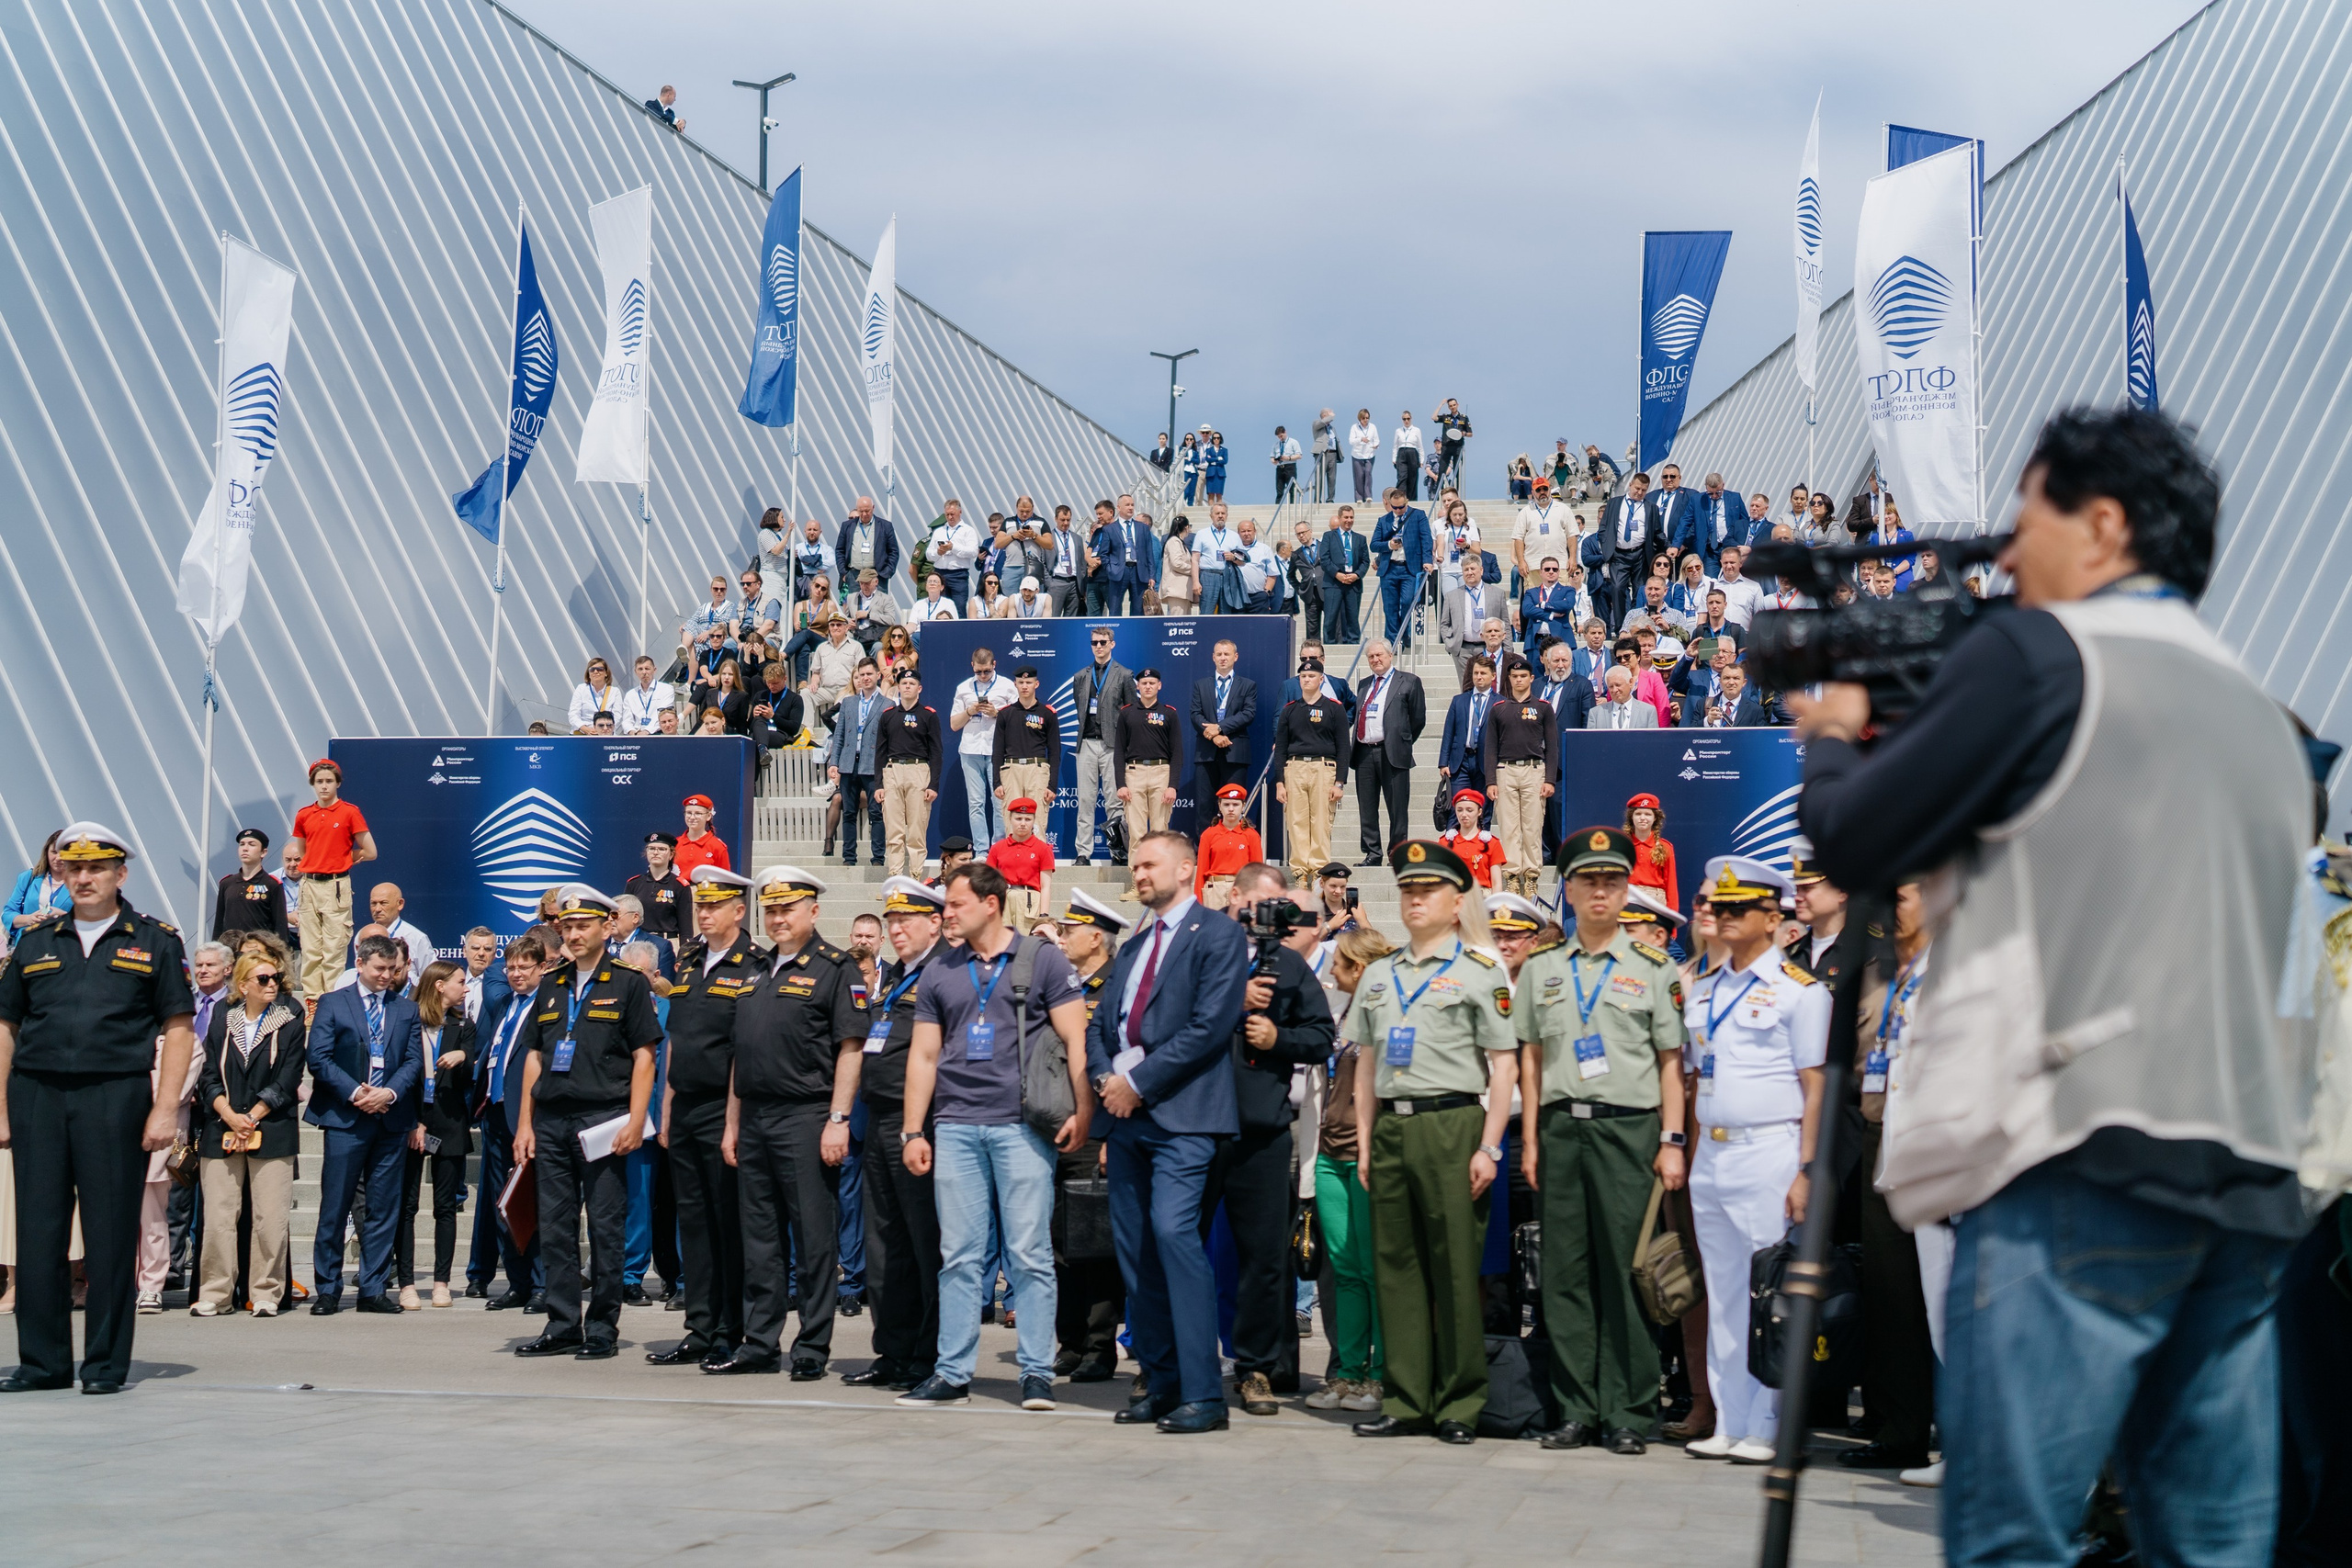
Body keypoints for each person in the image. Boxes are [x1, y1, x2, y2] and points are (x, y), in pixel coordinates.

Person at [1792, 408, 2313, 1565]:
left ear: (2104, 525)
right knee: (2213, 1550)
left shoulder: (2046, 655)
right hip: (2250, 1178)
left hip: (2081, 1154)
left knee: (2011, 1540)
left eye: (2024, 520)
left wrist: (1831, 731)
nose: (2005, 556)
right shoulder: (2263, 715)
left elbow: (1858, 842)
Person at [0, 825, 194, 1393]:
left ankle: (105, 1365)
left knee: (110, 1234)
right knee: (38, 1232)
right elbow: (6, 1027)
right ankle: (43, 1363)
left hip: (115, 1097)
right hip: (37, 1097)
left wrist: (163, 1110)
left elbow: (178, 1030)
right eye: (73, 869)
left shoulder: (155, 941)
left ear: (120, 874)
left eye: (97, 868)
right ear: (60, 874)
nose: (83, 878)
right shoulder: (35, 943)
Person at [1515, 828, 1689, 1454]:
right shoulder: (1543, 968)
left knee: (1626, 1271)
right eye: (1588, 879)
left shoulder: (1653, 967)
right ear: (1568, 888)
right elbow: (1532, 1059)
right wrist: (1532, 1137)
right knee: (1564, 1273)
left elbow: (1671, 1061)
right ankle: (1575, 1408)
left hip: (1629, 1128)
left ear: (1627, 889)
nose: (1600, 891)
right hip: (1562, 1127)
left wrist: (1672, 1139)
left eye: (1612, 880)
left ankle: (1630, 1409)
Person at [897, 864, 1095, 1410]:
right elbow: (924, 1055)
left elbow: (1076, 1037)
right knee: (958, 1255)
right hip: (956, 1127)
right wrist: (914, 1129)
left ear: (991, 903)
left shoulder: (1043, 959)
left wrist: (1082, 1109)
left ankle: (1035, 1372)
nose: (947, 913)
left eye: (957, 904)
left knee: (1028, 1253)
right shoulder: (941, 970)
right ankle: (952, 1371)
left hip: (1021, 1126)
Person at [1344, 840, 1517, 1442]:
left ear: (1455, 901)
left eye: (1429, 890)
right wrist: (1366, 1141)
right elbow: (1365, 1065)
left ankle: (1460, 1402)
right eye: (1409, 890)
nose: (1415, 900)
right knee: (1396, 1264)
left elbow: (1504, 1064)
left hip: (1453, 1123)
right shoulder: (1379, 973)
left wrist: (1490, 1146)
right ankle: (1406, 1396)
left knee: (1454, 1265)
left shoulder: (1480, 971)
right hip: (1392, 1124)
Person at [1086, 829, 1252, 1431]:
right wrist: (1107, 1078)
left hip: (1184, 1117)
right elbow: (1102, 1023)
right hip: (1127, 1118)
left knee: (1174, 1235)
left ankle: (1204, 1394)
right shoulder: (1133, 945)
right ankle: (1159, 1381)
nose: (1139, 872)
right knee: (1136, 1253)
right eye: (1135, 863)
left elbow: (1210, 1026)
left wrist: (1141, 1081)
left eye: (1150, 863)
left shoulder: (1218, 934)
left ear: (1187, 870)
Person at [1679, 858, 1828, 1464]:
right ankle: (1730, 1415)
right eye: (1721, 906)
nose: (1724, 916)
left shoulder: (1801, 991)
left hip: (1769, 1148)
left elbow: (1814, 1084)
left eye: (1739, 909)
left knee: (1770, 1291)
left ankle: (1768, 1420)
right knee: (1723, 1290)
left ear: (1774, 918)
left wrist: (1806, 1168)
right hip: (1711, 1150)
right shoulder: (1707, 989)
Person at [706, 867, 864, 1379]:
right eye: (769, 910)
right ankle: (759, 1342)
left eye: (786, 909)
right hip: (753, 1119)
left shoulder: (836, 969)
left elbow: (850, 1050)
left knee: (814, 1239)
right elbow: (739, 1056)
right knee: (760, 1239)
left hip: (807, 1116)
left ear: (812, 912)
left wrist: (839, 1119)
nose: (776, 918)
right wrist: (732, 1124)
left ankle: (812, 1347)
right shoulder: (754, 969)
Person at [512, 886, 662, 1360]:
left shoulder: (629, 982)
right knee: (555, 1226)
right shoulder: (551, 983)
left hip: (603, 1120)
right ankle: (561, 1324)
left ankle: (601, 1326)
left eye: (584, 926)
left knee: (605, 1226)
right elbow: (534, 1057)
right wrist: (525, 1124)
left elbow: (644, 1057)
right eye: (568, 926)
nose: (575, 934)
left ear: (608, 926)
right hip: (552, 1119)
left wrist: (637, 1120)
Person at [1208, 866, 1337, 1416]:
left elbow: (1322, 1035)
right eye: (1263, 902)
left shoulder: (1286, 964)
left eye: (1278, 905)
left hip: (1260, 1132)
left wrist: (1278, 1038)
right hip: (1195, 1127)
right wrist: (1231, 1004)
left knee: (1263, 1258)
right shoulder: (1199, 951)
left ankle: (1255, 1367)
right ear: (1235, 897)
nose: (1269, 915)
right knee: (1179, 1246)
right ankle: (1172, 1362)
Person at [846, 876, 951, 1390]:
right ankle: (892, 1349)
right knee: (883, 1242)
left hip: (922, 1126)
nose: (895, 929)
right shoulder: (895, 980)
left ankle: (929, 1356)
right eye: (890, 920)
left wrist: (920, 1129)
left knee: (924, 1243)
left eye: (905, 919)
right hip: (881, 1121)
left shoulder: (946, 974)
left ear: (935, 922)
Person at [304, 931, 423, 1315]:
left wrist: (388, 1094)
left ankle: (373, 1288)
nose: (386, 975)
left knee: (383, 1207)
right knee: (335, 1205)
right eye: (380, 968)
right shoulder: (333, 1004)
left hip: (390, 1118)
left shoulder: (406, 1009)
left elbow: (413, 1062)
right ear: (360, 964)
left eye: (392, 968)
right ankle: (328, 1288)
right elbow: (319, 1059)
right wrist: (357, 1093)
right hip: (345, 1118)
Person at [1308, 925, 1393, 1413]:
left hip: (1368, 1155)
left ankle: (1380, 1375)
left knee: (1373, 1268)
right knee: (1344, 1271)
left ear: (1358, 969)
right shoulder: (1336, 1015)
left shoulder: (1385, 1014)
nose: (1330, 971)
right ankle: (1349, 1372)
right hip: (1327, 1155)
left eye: (1337, 964)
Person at [192, 950, 303, 1316]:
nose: (272, 984)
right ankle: (216, 1294)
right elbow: (207, 1074)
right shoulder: (223, 1018)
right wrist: (227, 1113)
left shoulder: (289, 1020)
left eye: (275, 978)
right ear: (243, 985)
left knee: (269, 1219)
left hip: (271, 1127)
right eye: (263, 979)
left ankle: (266, 1293)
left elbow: (288, 1078)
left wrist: (252, 1116)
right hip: (221, 1127)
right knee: (220, 1218)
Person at [471, 936, 548, 1311]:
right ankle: (516, 1282)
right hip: (496, 1112)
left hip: (528, 1117)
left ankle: (540, 1284)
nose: (516, 974)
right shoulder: (507, 1005)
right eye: (512, 968)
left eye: (524, 968)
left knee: (530, 1201)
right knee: (503, 1202)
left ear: (542, 968)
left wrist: (529, 1120)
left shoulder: (548, 1006)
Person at [398, 959, 477, 1310]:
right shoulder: (407, 1021)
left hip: (449, 1120)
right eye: (461, 981)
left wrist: (465, 1056)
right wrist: (413, 1121)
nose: (466, 987)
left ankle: (442, 1282)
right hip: (411, 1120)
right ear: (440, 985)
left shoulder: (463, 1025)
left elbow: (475, 1068)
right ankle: (406, 1283)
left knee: (446, 1206)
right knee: (407, 1206)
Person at [288, 759, 375, 1004]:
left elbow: (370, 851)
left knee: (334, 949)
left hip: (336, 884)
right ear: (313, 784)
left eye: (328, 781)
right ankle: (313, 1002)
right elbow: (304, 852)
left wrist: (344, 857)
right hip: (309, 884)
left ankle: (332, 1003)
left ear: (337, 783)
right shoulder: (305, 814)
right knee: (310, 948)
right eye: (319, 782)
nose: (324, 786)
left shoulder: (349, 812)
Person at [1272, 659, 1351, 887]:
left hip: (1324, 768)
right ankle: (1299, 872)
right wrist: (1279, 782)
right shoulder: (1290, 710)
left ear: (1321, 679)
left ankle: (1318, 871)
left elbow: (1343, 747)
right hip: (1295, 768)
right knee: (1296, 821)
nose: (1307, 679)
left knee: (1321, 821)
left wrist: (1340, 782)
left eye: (1312, 676)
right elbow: (1281, 748)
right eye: (1303, 677)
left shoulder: (1334, 708)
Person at [1482, 660, 1556, 898]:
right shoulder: (1499, 708)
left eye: (1523, 676)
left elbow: (1552, 747)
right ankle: (1512, 876)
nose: (1519, 680)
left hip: (1534, 770)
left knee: (1533, 827)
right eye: (1514, 677)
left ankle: (1532, 876)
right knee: (1509, 827)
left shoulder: (1543, 708)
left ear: (1532, 678)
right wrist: (1490, 780)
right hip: (1505, 771)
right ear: (1509, 679)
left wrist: (1550, 779)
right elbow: (1490, 747)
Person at [1350, 639, 1425, 863]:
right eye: (1371, 657)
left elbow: (1418, 719)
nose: (1376, 660)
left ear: (1390, 655)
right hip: (1364, 751)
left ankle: (1397, 851)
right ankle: (1373, 852)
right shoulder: (1364, 684)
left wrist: (1401, 740)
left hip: (1392, 752)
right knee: (1367, 806)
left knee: (1397, 806)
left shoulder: (1408, 681)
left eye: (1379, 655)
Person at [1072, 629, 1136, 867]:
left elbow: (1131, 711)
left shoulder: (1125, 674)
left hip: (1113, 745)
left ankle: (1118, 852)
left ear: (1112, 644)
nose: (1098, 646)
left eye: (1102, 642)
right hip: (1087, 743)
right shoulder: (1081, 676)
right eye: (1094, 643)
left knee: (1114, 802)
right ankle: (1083, 853)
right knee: (1086, 800)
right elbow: (1077, 703)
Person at [947, 649, 1018, 853]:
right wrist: (970, 710)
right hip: (970, 750)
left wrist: (997, 714)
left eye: (987, 671)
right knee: (976, 804)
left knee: (999, 803)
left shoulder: (1006, 686)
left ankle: (999, 848)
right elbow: (953, 724)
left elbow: (1016, 722)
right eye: (979, 672)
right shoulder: (963, 688)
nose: (983, 676)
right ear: (972, 667)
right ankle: (981, 851)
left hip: (997, 751)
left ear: (994, 664)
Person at [877, 668, 943, 880]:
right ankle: (895, 877)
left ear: (919, 688)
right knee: (894, 831)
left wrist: (933, 785)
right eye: (904, 684)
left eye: (912, 683)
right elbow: (880, 751)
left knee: (916, 830)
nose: (907, 686)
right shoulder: (887, 716)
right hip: (892, 771)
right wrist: (879, 784)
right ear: (898, 687)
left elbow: (936, 752)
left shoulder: (928, 715)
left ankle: (915, 878)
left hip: (918, 771)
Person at [1114, 667, 1183, 846]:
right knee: (1137, 833)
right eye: (1144, 683)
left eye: (1152, 683)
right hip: (1134, 773)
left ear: (1159, 686)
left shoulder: (1169, 713)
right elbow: (1119, 751)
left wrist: (1172, 786)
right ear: (1138, 687)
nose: (1148, 687)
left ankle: (1159, 874)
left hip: (1161, 773)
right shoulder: (1127, 713)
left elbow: (1177, 753)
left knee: (1160, 832)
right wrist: (1121, 784)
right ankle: (1138, 874)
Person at [1590, 472, 1663, 635]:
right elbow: (1604, 527)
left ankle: (1638, 626)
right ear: (1630, 485)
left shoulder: (1650, 507)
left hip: (1640, 554)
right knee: (1617, 588)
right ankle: (1621, 628)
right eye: (1637, 488)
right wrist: (1605, 544)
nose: (1639, 492)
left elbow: (1657, 532)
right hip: (1619, 554)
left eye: (1644, 490)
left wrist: (1669, 546)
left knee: (1640, 590)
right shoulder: (1615, 503)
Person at [989, 664, 1060, 829]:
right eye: (1021, 682)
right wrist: (996, 782)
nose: (1024, 686)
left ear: (1036, 684)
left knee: (1037, 823)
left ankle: (1038, 855)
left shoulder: (1047, 713)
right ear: (1015, 684)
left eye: (1028, 682)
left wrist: (1052, 785)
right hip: (1011, 771)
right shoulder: (1005, 714)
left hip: (1037, 770)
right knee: (1011, 823)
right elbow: (997, 750)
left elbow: (1055, 752)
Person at [1190, 637, 1256, 804]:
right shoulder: (1201, 685)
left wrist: (1219, 728)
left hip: (1234, 752)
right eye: (1219, 654)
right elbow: (1195, 714)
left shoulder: (1248, 685)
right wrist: (1214, 736)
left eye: (1227, 654)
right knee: (1204, 806)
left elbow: (1248, 714)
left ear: (1236, 657)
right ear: (1213, 657)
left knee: (1233, 805)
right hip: (1206, 753)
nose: (1223, 657)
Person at [1437, 655, 1498, 828]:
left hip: (1485, 763)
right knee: (1458, 807)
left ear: (1493, 676)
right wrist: (1443, 762)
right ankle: (1452, 849)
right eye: (1476, 673)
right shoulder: (1460, 700)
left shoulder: (1500, 702)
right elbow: (1449, 732)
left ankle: (1481, 850)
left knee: (1483, 810)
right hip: (1461, 761)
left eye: (1483, 673)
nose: (1479, 677)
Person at [1441, 553, 1513, 690]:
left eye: (1473, 569)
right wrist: (1450, 643)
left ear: (1481, 570)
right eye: (1466, 570)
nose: (1470, 572)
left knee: (1491, 687)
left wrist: (1508, 649)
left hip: (1489, 648)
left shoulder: (1497, 594)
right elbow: (1444, 624)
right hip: (1463, 650)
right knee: (1466, 688)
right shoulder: (1452, 596)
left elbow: (1505, 623)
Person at [1369, 490, 1431, 647]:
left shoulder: (1418, 515)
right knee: (1390, 607)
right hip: (1389, 569)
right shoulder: (1384, 520)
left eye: (1401, 507)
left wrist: (1427, 560)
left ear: (1407, 501)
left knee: (1407, 602)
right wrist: (1389, 545)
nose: (1397, 510)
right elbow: (1374, 544)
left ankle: (1404, 633)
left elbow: (1426, 539)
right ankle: (1393, 642)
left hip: (1409, 568)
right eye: (1394, 507)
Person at [986, 800, 1056, 930]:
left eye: (1028, 819)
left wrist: (1044, 916)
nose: (1023, 823)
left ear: (1034, 821)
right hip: (1003, 897)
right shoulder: (997, 848)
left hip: (1030, 900)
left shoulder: (1042, 849)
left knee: (1027, 946)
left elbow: (1046, 886)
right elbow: (988, 882)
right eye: (1018, 818)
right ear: (1010, 819)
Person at [210, 828, 287, 944]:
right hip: (231, 951)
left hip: (258, 950)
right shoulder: (227, 883)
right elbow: (219, 923)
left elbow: (280, 926)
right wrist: (215, 947)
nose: (245, 849)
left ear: (263, 852)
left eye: (252, 844)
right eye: (242, 844)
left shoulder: (272, 884)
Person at [1099, 493, 1156, 615]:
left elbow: (1149, 553)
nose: (1130, 508)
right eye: (1127, 505)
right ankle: (1116, 632)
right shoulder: (1109, 529)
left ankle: (1135, 632)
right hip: (1119, 570)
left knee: (1138, 608)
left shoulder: (1142, 528)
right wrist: (1110, 569)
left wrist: (1151, 575)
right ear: (1118, 508)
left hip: (1139, 571)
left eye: (1132, 505)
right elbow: (1104, 553)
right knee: (1115, 607)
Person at [1439, 788, 1505, 889]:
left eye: (1469, 810)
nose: (1464, 815)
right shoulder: (1445, 842)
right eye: (1459, 810)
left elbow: (1497, 883)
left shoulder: (1492, 843)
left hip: (1483, 897)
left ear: (1479, 812)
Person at [1318, 504, 1366, 644]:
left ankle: (1353, 643)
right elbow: (1325, 559)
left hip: (1353, 583)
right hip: (1334, 583)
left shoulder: (1360, 539)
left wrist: (1357, 575)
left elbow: (1365, 561)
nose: (1349, 520)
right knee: (1330, 618)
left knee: (1352, 617)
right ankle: (1329, 644)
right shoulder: (1329, 536)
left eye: (1351, 517)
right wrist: (1337, 574)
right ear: (1339, 518)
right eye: (1346, 517)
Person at [1623, 794, 1678, 914]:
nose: (1642, 818)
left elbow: (1671, 888)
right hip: (1627, 900)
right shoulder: (1622, 845)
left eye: (1648, 814)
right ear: (1631, 817)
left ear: (1655, 818)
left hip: (1655, 902)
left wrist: (1671, 927)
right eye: (1638, 814)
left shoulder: (1665, 847)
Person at [368, 881, 435, 980]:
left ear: (400, 904)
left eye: (383, 903)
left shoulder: (416, 937)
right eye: (374, 903)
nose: (377, 909)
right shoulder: (363, 935)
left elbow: (432, 977)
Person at [834, 495, 900, 592]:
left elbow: (893, 551)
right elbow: (840, 550)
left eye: (867, 511)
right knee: (856, 605)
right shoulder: (847, 526)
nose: (864, 514)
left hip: (877, 576)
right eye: (861, 511)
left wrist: (887, 572)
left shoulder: (885, 526)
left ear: (873, 508)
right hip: (854, 576)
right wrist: (844, 573)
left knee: (878, 605)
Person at [673, 795, 730, 878]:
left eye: (698, 813)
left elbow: (725, 881)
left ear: (708, 816)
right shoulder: (675, 844)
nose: (692, 817)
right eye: (689, 813)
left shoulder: (717, 846)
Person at [1588, 666, 1656, 729]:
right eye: (1611, 686)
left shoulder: (1648, 712)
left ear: (1631, 682)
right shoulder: (1595, 713)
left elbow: (1654, 740)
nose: (1614, 690)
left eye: (1618, 685)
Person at [1157, 517, 1198, 616]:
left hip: (1182, 591)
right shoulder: (1174, 541)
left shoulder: (1179, 542)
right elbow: (1177, 563)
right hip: (1176, 590)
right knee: (1178, 622)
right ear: (1187, 527)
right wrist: (1194, 570)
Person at [569, 656, 619, 733]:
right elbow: (573, 714)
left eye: (600, 669)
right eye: (592, 670)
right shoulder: (581, 689)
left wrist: (602, 730)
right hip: (583, 733)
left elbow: (617, 716)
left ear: (606, 673)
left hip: (605, 733)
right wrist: (585, 729)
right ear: (588, 674)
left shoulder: (615, 692)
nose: (596, 672)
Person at [1347, 409, 1380, 502]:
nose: (1366, 420)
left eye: (1367, 418)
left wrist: (1376, 445)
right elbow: (1351, 441)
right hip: (1357, 455)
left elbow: (1377, 439)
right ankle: (1359, 497)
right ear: (1360, 418)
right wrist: (1361, 439)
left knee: (1368, 473)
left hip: (1370, 454)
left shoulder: (1373, 427)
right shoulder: (1354, 427)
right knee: (1359, 476)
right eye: (1364, 418)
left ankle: (1368, 495)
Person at [1391, 411, 1424, 502]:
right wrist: (1394, 458)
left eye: (1408, 419)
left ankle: (1412, 499)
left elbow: (1420, 445)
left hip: (1412, 452)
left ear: (1411, 419)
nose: (1406, 421)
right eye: (1404, 419)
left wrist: (1421, 460)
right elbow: (1395, 445)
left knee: (1412, 477)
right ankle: (1400, 498)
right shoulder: (1398, 431)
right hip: (1402, 452)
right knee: (1402, 476)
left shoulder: (1416, 430)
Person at [1311, 408, 1339, 502]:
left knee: (1332, 478)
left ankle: (1330, 499)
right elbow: (1323, 422)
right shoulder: (1316, 424)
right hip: (1322, 453)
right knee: (1319, 477)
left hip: (1333, 453)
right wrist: (1331, 416)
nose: (1332, 416)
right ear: (1324, 415)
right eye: (1329, 414)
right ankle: (1317, 500)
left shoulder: (1332, 428)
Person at [1270, 425, 1302, 502]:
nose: (1280, 438)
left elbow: (1299, 456)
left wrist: (1288, 458)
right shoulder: (1276, 445)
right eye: (1278, 437)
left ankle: (1291, 507)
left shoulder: (1293, 442)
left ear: (1285, 432)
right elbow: (1272, 457)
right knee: (1279, 489)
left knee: (1291, 489)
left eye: (1281, 436)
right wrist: (1274, 461)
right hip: (1280, 467)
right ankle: (1277, 506)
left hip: (1290, 467)